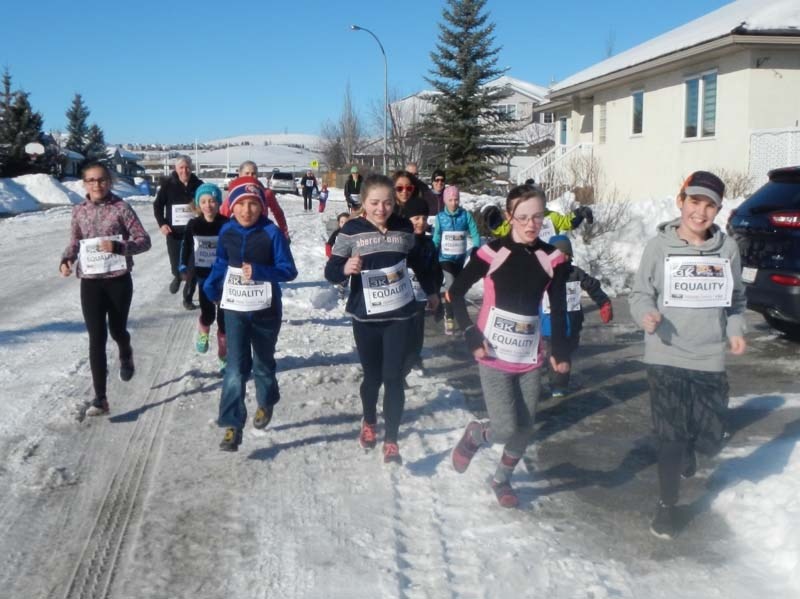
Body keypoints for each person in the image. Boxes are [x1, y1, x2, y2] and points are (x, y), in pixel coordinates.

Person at [629, 170, 746, 539]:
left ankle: (692, 449)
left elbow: (737, 301)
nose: (701, 212)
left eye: (710, 205)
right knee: (670, 436)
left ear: (718, 210)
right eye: (695, 202)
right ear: (681, 202)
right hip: (665, 353)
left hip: (709, 355)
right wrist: (645, 315)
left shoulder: (727, 250)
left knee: (710, 435)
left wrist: (735, 330)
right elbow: (639, 293)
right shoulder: (658, 247)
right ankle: (667, 506)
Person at [448, 184, 571, 507]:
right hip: (492, 354)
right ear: (509, 217)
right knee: (503, 428)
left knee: (525, 428)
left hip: (530, 357)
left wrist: (560, 350)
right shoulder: (491, 253)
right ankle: (476, 435)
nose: (531, 224)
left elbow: (558, 307)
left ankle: (501, 480)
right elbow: (456, 293)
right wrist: (470, 334)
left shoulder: (552, 258)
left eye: (538, 217)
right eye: (523, 217)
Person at [324, 174, 440, 464]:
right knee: (373, 377)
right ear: (363, 203)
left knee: (394, 378)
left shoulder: (403, 229)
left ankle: (392, 440)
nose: (381, 208)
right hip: (365, 317)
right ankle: (369, 420)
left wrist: (432, 290)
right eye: (374, 203)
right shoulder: (351, 231)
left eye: (387, 202)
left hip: (399, 314)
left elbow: (418, 262)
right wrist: (345, 267)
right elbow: (332, 269)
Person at [203, 176, 298, 451]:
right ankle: (232, 425)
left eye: (253, 204)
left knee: (263, 363)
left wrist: (260, 272)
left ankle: (267, 399)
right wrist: (212, 283)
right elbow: (222, 261)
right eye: (241, 204)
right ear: (231, 207)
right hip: (235, 309)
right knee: (234, 367)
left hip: (266, 310)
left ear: (262, 207)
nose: (247, 210)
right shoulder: (227, 232)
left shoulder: (271, 233)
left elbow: (288, 270)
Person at [59, 161, 152, 416]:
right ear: (84, 183)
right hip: (90, 282)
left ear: (109, 182)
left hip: (118, 280)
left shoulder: (121, 208)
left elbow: (144, 241)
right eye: (91, 180)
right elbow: (74, 242)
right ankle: (100, 398)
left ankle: (125, 352)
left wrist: (120, 247)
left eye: (101, 180)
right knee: (96, 338)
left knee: (117, 330)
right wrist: (66, 259)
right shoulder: (78, 211)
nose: (96, 185)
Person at [540, 235, 613, 398]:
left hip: (572, 324)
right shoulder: (543, 273)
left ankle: (556, 374)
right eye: (557, 253)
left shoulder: (575, 273)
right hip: (549, 325)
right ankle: (558, 385)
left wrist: (604, 303)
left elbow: (593, 286)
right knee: (557, 353)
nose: (561, 257)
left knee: (567, 351)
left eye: (565, 253)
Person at [180, 183, 229, 371]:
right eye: (204, 201)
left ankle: (224, 356)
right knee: (208, 314)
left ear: (218, 203)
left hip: (224, 276)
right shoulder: (194, 224)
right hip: (203, 276)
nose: (208, 205)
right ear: (198, 205)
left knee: (224, 321)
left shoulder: (226, 223)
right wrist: (183, 264)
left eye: (212, 201)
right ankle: (203, 331)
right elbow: (185, 246)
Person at [153, 155, 203, 309]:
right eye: (181, 167)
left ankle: (187, 298)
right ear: (176, 169)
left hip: (193, 233)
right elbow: (157, 206)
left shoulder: (199, 185)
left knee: (192, 268)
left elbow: (206, 203)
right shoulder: (168, 185)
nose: (184, 170)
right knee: (176, 264)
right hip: (173, 233)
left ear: (191, 168)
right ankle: (176, 275)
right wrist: (162, 224)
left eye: (187, 167)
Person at [432, 185, 481, 335]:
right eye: (451, 200)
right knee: (451, 286)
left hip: (459, 258)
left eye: (456, 199)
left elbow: (474, 232)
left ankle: (455, 313)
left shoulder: (465, 215)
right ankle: (450, 316)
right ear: (446, 201)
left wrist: (476, 248)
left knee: (457, 288)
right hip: (445, 258)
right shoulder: (440, 217)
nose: (454, 202)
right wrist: (432, 252)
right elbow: (437, 237)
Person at [404, 198, 442, 377]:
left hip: (420, 296)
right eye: (416, 218)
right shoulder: (402, 242)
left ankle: (415, 359)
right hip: (401, 296)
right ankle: (400, 370)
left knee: (418, 332)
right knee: (403, 333)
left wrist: (435, 293)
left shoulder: (429, 244)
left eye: (424, 218)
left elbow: (434, 270)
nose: (421, 222)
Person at [480, 183, 593, 242]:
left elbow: (567, 222)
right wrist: (495, 222)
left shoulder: (551, 217)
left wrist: (579, 213)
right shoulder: (521, 218)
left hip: (548, 261)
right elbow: (504, 230)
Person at [221, 161, 289, 238]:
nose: (250, 176)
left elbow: (278, 213)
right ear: (240, 175)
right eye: (247, 173)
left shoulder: (266, 193)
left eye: (253, 174)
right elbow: (223, 214)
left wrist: (284, 232)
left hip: (260, 233)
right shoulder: (234, 193)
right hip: (239, 234)